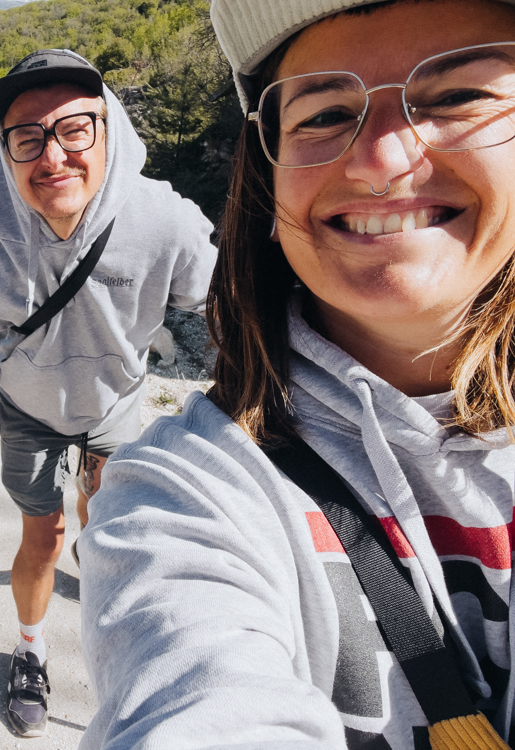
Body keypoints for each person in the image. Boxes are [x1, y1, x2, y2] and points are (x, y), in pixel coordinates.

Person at [79, 0, 515, 747]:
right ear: (268, 182)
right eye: (323, 112)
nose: (382, 160)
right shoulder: (186, 491)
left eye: (456, 97)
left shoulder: (158, 214)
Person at [0, 49, 217, 737]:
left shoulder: (164, 222)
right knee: (44, 534)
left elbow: (232, 309)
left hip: (118, 406)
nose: (52, 155)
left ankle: (102, 595)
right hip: (29, 415)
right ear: (5, 153)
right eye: (27, 137)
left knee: (104, 528)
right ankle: (30, 653)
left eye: (74, 129)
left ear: (108, 128)